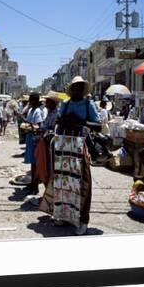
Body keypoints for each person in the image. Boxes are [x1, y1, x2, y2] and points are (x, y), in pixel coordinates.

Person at [42, 76, 99, 235]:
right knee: (63, 183)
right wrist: (64, 121)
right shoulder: (65, 104)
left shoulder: (89, 104)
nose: (77, 90)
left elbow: (99, 126)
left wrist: (82, 122)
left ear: (83, 89)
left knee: (83, 183)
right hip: (64, 147)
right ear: (71, 89)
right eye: (75, 87)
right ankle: (64, 216)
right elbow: (58, 123)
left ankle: (83, 220)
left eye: (80, 87)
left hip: (81, 147)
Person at [20, 93, 45, 193]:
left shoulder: (38, 111)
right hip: (30, 138)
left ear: (35, 101)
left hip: (35, 139)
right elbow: (29, 122)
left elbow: (37, 126)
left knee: (35, 163)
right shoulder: (31, 110)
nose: (29, 102)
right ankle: (32, 184)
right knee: (32, 162)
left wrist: (28, 126)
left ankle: (35, 186)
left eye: (31, 100)